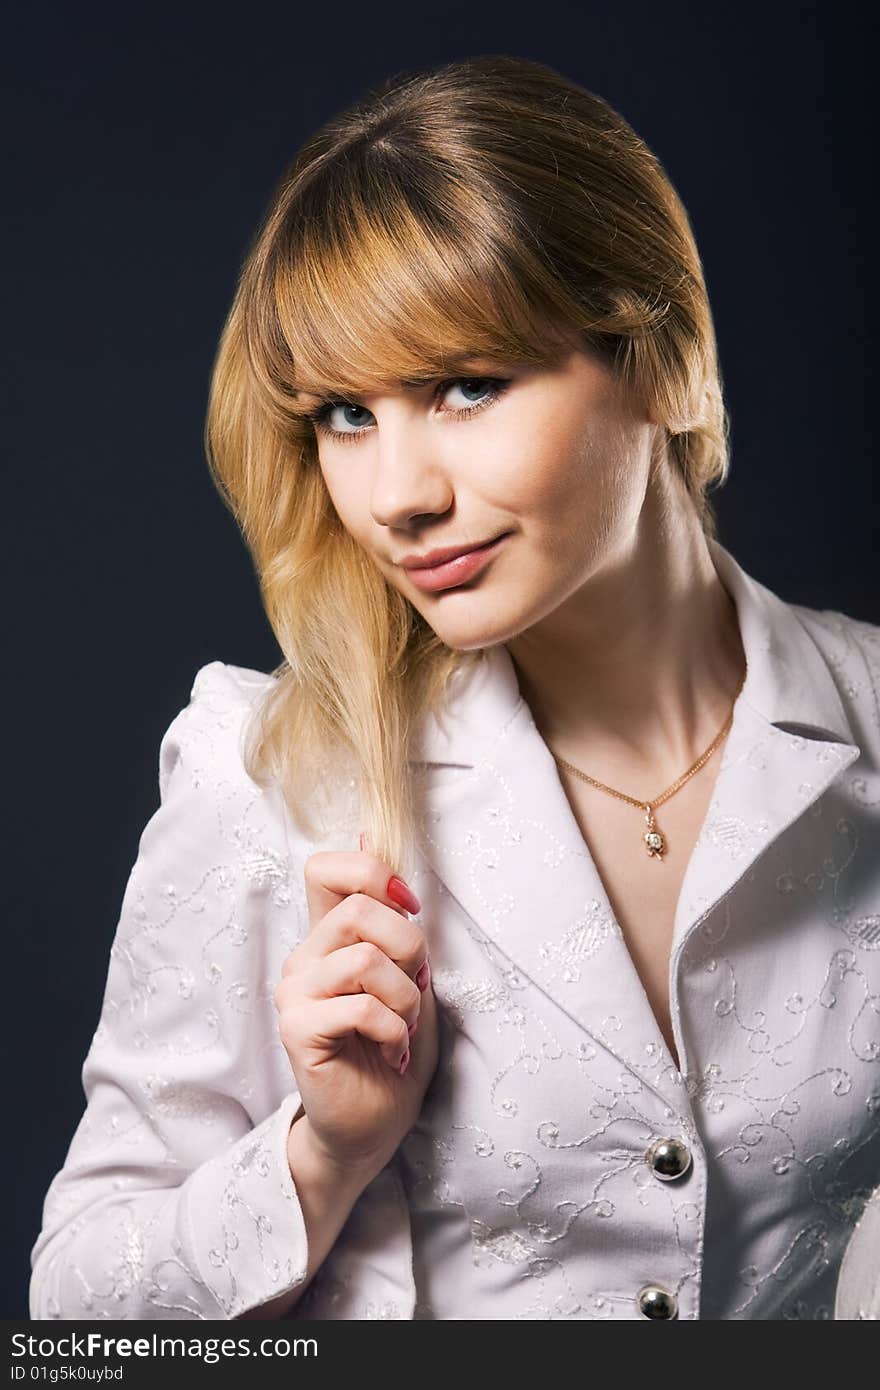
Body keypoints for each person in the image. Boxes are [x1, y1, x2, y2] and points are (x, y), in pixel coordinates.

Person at [30, 54, 880, 1322]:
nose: (398, 495)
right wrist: (325, 1152)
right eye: (342, 415)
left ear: (652, 353)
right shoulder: (272, 775)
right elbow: (75, 1315)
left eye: (464, 386)